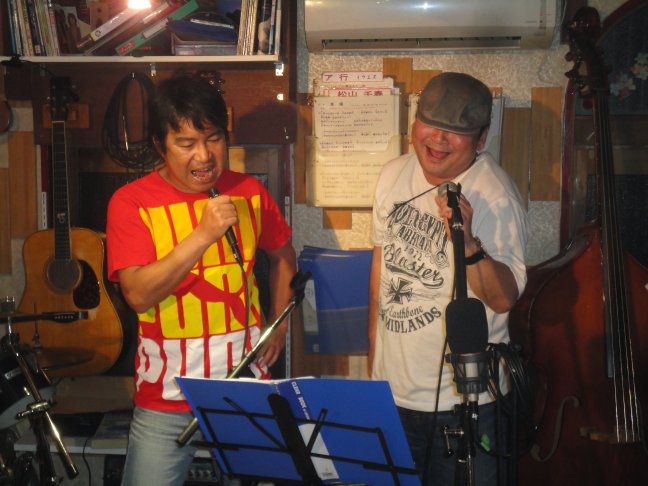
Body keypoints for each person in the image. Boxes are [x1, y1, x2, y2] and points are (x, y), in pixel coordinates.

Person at [106, 73, 297, 486]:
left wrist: (278, 326)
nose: (204, 156)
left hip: (245, 387)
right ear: (160, 145)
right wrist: (202, 235)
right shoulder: (131, 203)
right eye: (186, 143)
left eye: (213, 138)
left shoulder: (248, 191)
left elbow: (284, 255)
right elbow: (136, 294)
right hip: (166, 396)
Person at [368, 72, 528, 485]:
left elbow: (503, 299)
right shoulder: (393, 174)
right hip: (393, 396)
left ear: (481, 138)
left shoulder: (496, 195)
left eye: (455, 131)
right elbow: (380, 279)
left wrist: (468, 242)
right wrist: (374, 373)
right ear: (414, 123)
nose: (438, 139)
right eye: (430, 123)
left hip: (467, 402)